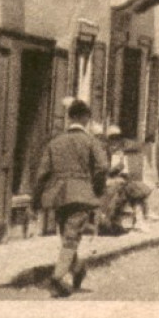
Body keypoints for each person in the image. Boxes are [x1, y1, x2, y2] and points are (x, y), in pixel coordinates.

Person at [31, 99, 110, 298]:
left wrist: (36, 199)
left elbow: (42, 174)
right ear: (85, 118)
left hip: (59, 196)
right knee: (71, 238)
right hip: (82, 193)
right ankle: (57, 279)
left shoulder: (55, 142)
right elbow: (102, 167)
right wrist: (97, 189)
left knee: (67, 235)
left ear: (69, 118)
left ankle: (75, 270)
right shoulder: (91, 142)